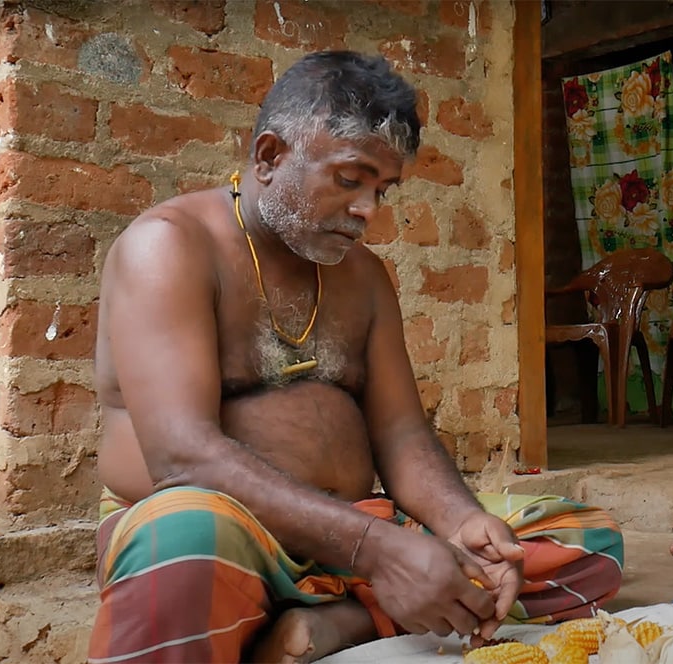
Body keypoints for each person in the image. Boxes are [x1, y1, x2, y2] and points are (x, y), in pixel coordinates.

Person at [89, 51, 623, 664]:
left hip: (355, 526)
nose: (370, 211)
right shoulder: (170, 246)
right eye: (350, 179)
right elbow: (182, 456)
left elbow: (400, 432)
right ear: (269, 157)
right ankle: (374, 605)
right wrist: (378, 549)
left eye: (383, 189)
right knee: (178, 545)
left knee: (581, 538)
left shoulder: (364, 277)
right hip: (231, 537)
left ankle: (338, 623)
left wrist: (459, 521)